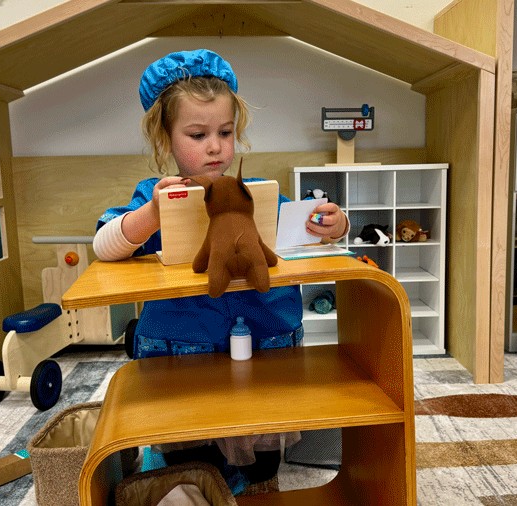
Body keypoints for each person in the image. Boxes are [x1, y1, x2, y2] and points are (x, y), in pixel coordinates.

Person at [92, 49, 349, 492]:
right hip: (184, 347)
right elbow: (104, 246)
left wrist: (332, 224)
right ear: (165, 139)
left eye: (225, 132)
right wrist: (152, 214)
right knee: (191, 462)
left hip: (265, 344)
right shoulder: (154, 197)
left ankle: (255, 483)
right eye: (197, 134)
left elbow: (305, 234)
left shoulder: (258, 195)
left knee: (263, 461)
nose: (215, 146)